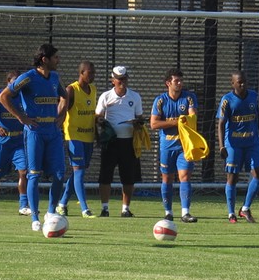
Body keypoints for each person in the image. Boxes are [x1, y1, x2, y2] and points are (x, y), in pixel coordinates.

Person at [0, 44, 68, 232]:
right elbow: (4, 96)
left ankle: (51, 212)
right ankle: (35, 217)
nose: (58, 60)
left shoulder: (54, 77)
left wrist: (61, 116)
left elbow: (65, 96)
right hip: (35, 132)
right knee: (34, 175)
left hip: (53, 132)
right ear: (45, 59)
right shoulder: (28, 77)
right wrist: (21, 117)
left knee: (60, 174)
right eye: (55, 57)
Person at [217, 71, 259, 224]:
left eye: (244, 81)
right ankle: (231, 213)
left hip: (252, 142)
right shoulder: (227, 100)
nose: (243, 84)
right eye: (239, 82)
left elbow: (258, 118)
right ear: (232, 83)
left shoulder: (254, 96)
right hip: (234, 144)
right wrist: (221, 146)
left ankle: (245, 208)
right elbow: (220, 124)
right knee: (233, 177)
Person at [150, 68, 199, 223]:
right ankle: (168, 212)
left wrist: (182, 121)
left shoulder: (189, 98)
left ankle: (185, 212)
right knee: (167, 177)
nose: (180, 83)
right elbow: (153, 123)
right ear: (168, 83)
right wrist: (174, 122)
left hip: (184, 145)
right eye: (176, 81)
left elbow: (192, 118)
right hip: (167, 145)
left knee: (185, 176)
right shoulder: (160, 100)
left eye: (181, 81)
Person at [95, 66, 144, 218]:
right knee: (105, 175)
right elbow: (98, 116)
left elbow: (140, 117)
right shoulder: (106, 96)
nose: (122, 82)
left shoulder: (135, 97)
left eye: (124, 79)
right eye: (119, 79)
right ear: (113, 80)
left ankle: (125, 208)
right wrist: (102, 122)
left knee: (128, 177)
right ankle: (105, 208)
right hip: (111, 142)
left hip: (128, 141)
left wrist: (138, 122)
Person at [0, 70, 30, 215]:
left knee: (24, 172)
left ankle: (23, 206)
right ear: (8, 82)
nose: (16, 85)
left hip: (19, 141)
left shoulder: (24, 97)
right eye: (14, 81)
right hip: (2, 142)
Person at [56, 61, 97, 219]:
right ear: (81, 73)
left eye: (94, 73)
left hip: (89, 136)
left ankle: (62, 204)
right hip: (73, 136)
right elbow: (63, 111)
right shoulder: (71, 89)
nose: (92, 76)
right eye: (90, 73)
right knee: (79, 171)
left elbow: (91, 114)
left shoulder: (93, 89)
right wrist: (56, 126)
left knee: (78, 173)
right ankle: (85, 209)